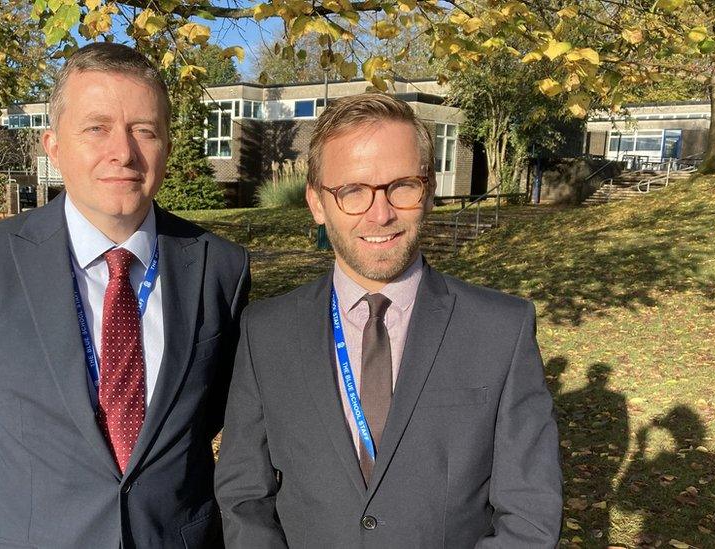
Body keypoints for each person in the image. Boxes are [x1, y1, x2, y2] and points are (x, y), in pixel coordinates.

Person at [0, 42, 249, 548]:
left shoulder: (219, 267)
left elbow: (213, 412)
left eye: (145, 130)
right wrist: (35, 495)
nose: (123, 152)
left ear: (166, 145)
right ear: (53, 146)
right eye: (96, 128)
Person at [215, 93, 561, 548]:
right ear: (318, 203)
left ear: (429, 191)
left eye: (402, 185)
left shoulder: (501, 329)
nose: (381, 214)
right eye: (352, 191)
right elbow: (244, 497)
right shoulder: (266, 332)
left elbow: (530, 515)